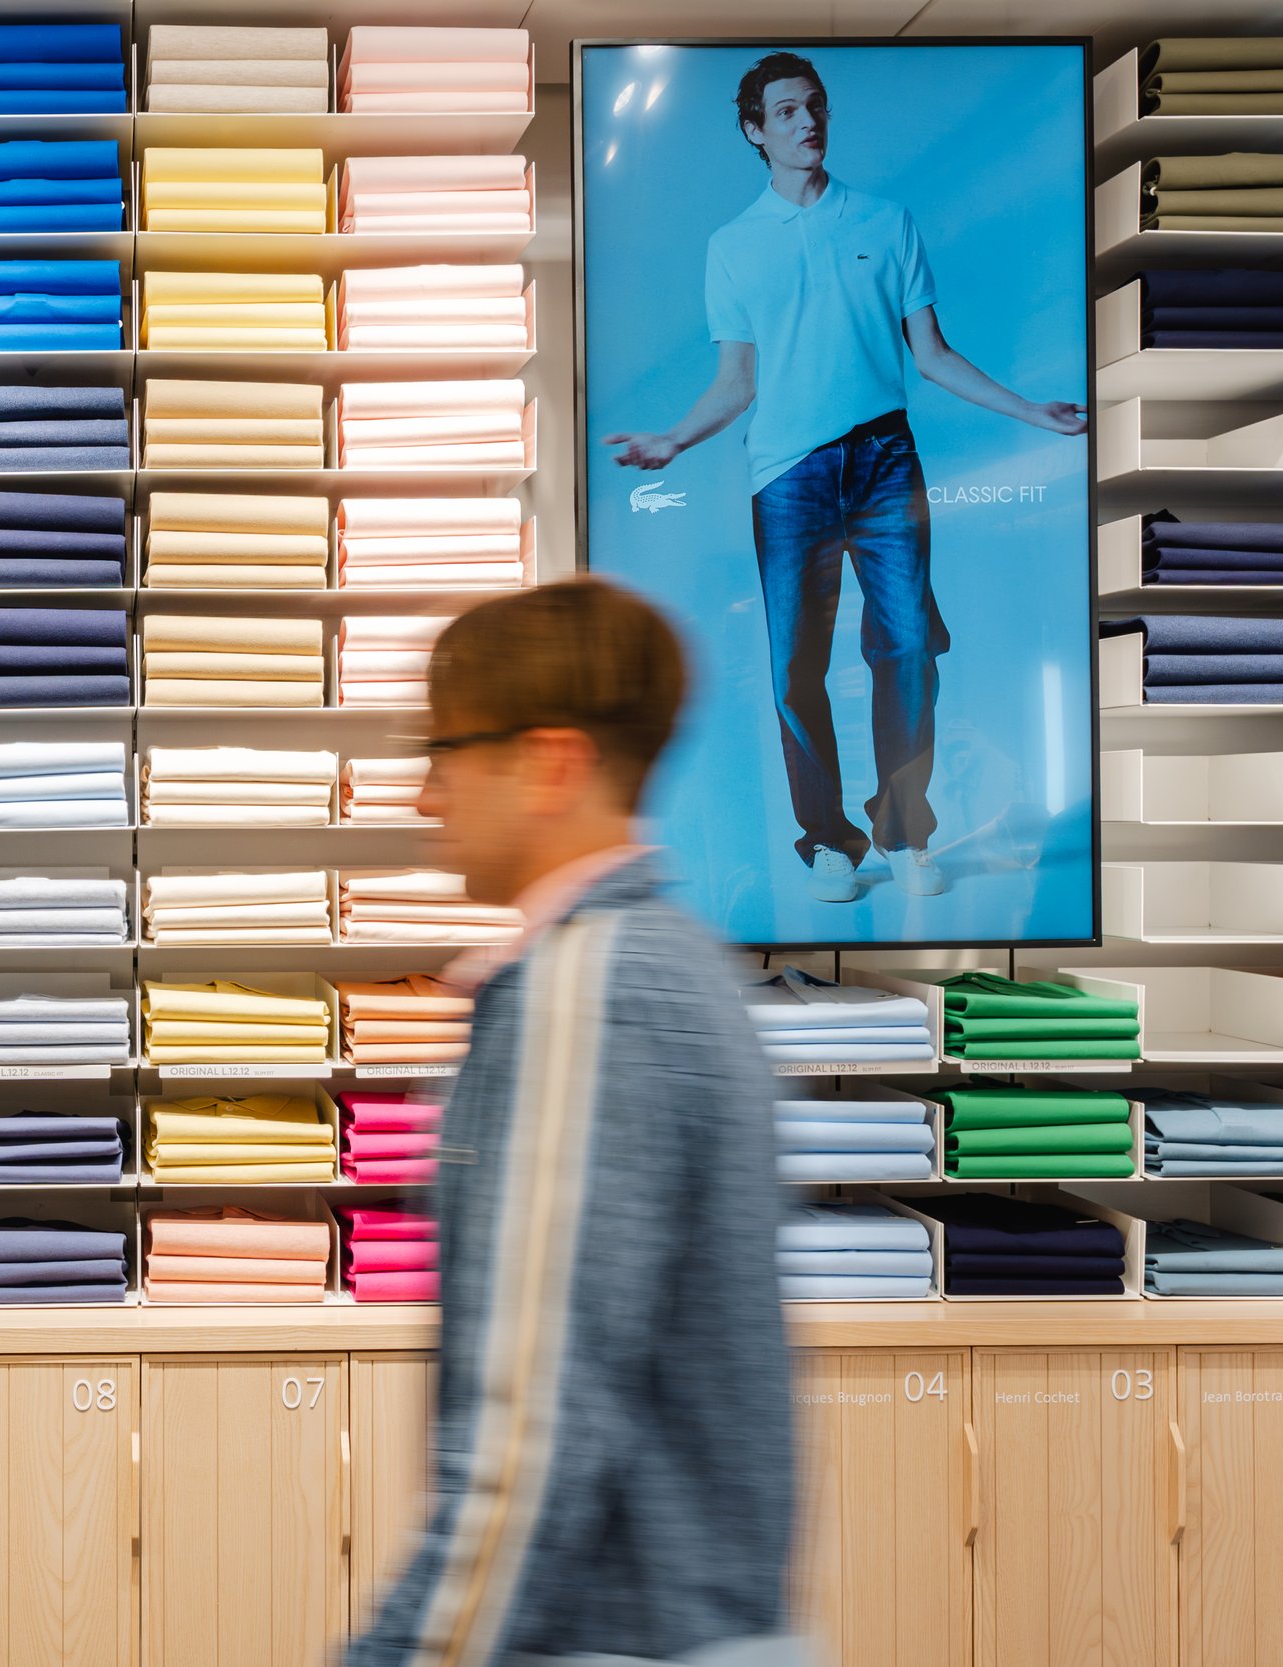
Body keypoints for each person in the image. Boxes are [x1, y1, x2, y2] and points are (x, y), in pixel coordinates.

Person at [342, 579, 801, 1667]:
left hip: (608, 1634)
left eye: (444, 751)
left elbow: (532, 1432)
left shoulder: (584, 991)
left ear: (548, 763)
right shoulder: (680, 961)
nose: (424, 795)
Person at [604, 49, 1086, 907]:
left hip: (885, 458)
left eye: (816, 105)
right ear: (755, 131)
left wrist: (1028, 411)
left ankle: (904, 831)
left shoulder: (886, 221)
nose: (808, 121)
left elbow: (931, 355)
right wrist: (673, 440)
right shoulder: (733, 246)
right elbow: (737, 382)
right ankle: (828, 841)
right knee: (796, 667)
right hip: (788, 475)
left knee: (908, 648)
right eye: (787, 111)